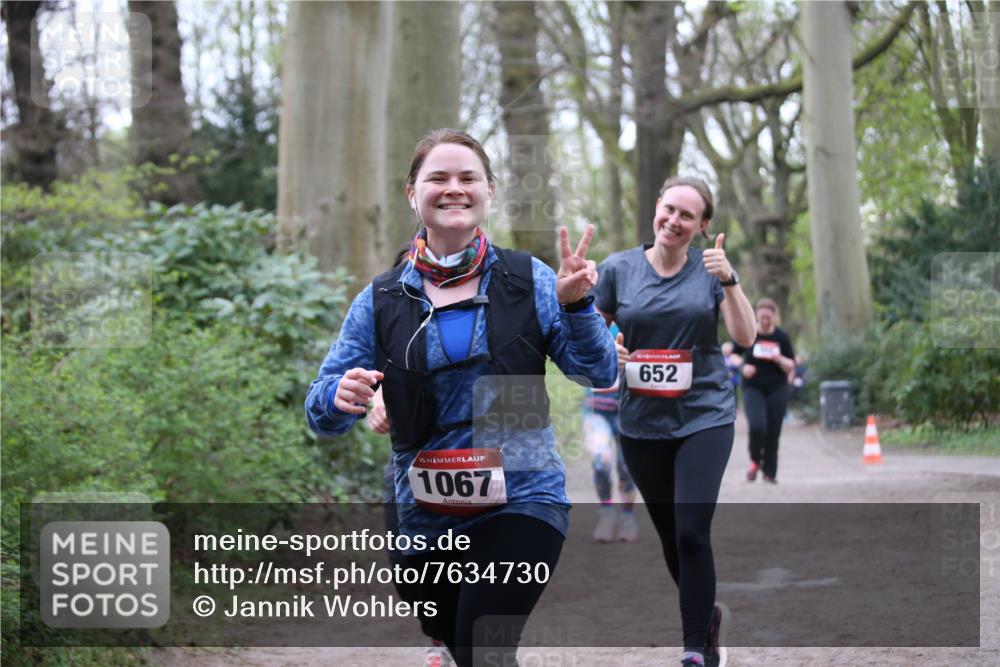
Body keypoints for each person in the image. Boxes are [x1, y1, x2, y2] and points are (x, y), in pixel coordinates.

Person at [305, 129, 618, 667]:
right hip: (425, 511)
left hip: (522, 496)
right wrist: (340, 395)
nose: (454, 189)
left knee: (483, 648)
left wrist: (577, 307)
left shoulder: (530, 279)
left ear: (489, 191)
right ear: (412, 193)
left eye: (468, 178)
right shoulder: (379, 300)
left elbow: (598, 371)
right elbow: (321, 413)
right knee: (456, 638)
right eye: (439, 178)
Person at [592, 175, 756, 667]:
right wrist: (610, 351)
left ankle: (693, 650)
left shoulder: (711, 271)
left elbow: (744, 337)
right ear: (655, 210)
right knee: (671, 536)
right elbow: (588, 341)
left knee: (690, 531)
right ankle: (706, 620)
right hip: (642, 422)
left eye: (688, 215)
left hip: (705, 414)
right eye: (669, 209)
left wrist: (729, 278)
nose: (674, 220)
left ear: (703, 226)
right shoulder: (618, 269)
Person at [582, 322, 638, 542]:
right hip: (596, 410)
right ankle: (606, 513)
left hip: (627, 410)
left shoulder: (632, 319)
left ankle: (627, 516)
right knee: (600, 460)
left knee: (626, 468)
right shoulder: (588, 321)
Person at [734, 298, 795, 484]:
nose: (765, 321)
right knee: (758, 425)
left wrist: (779, 359)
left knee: (773, 429)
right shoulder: (749, 334)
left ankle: (770, 472)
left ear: (774, 316)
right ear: (756, 317)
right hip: (753, 386)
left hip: (777, 387)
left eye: (768, 317)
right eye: (761, 318)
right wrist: (743, 366)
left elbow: (791, 365)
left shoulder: (781, 337)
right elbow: (733, 354)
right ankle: (755, 460)